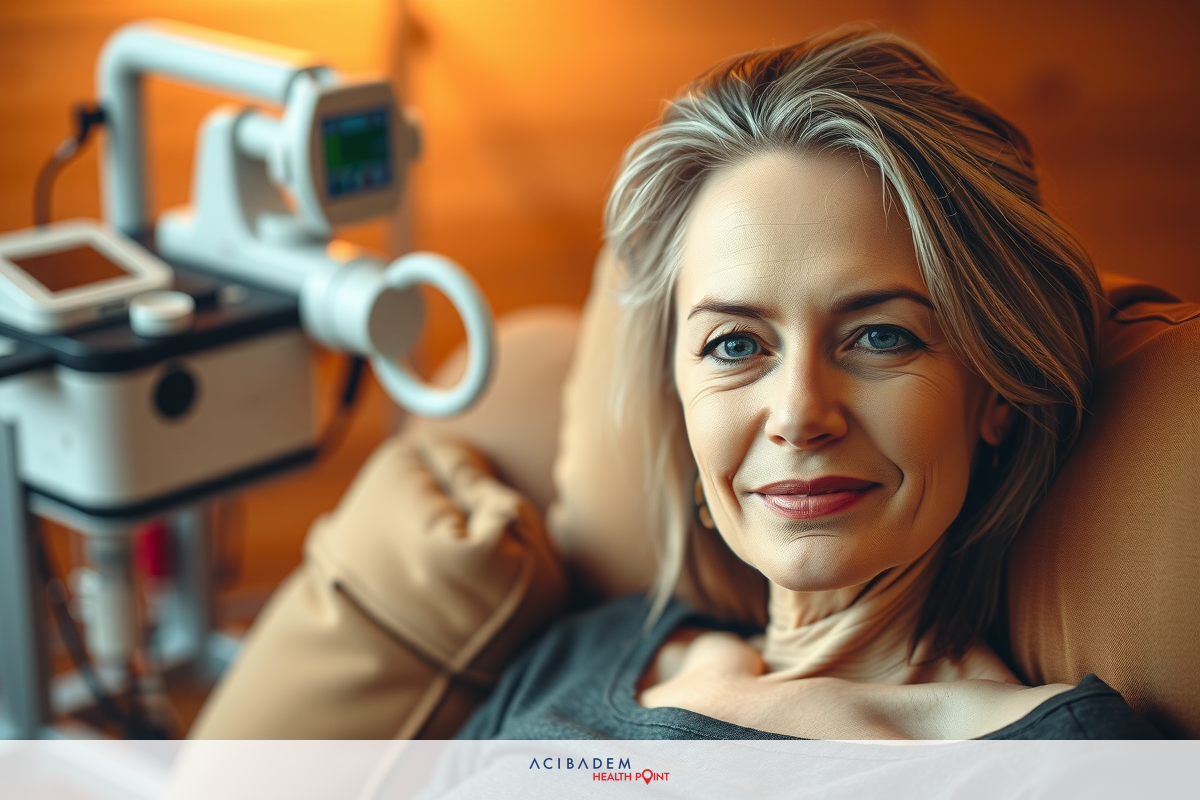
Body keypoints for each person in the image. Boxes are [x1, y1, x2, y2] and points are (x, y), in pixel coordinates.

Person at [454, 27, 1159, 740]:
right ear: (681, 397)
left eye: (881, 336)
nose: (798, 413)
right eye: (734, 344)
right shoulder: (576, 653)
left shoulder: (1060, 760)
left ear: (997, 390)